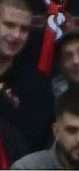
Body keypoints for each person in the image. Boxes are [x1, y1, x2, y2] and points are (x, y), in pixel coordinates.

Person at [0, 0, 53, 149]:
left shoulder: (37, 85)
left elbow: (36, 141)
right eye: (9, 25)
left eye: (24, 29)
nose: (17, 35)